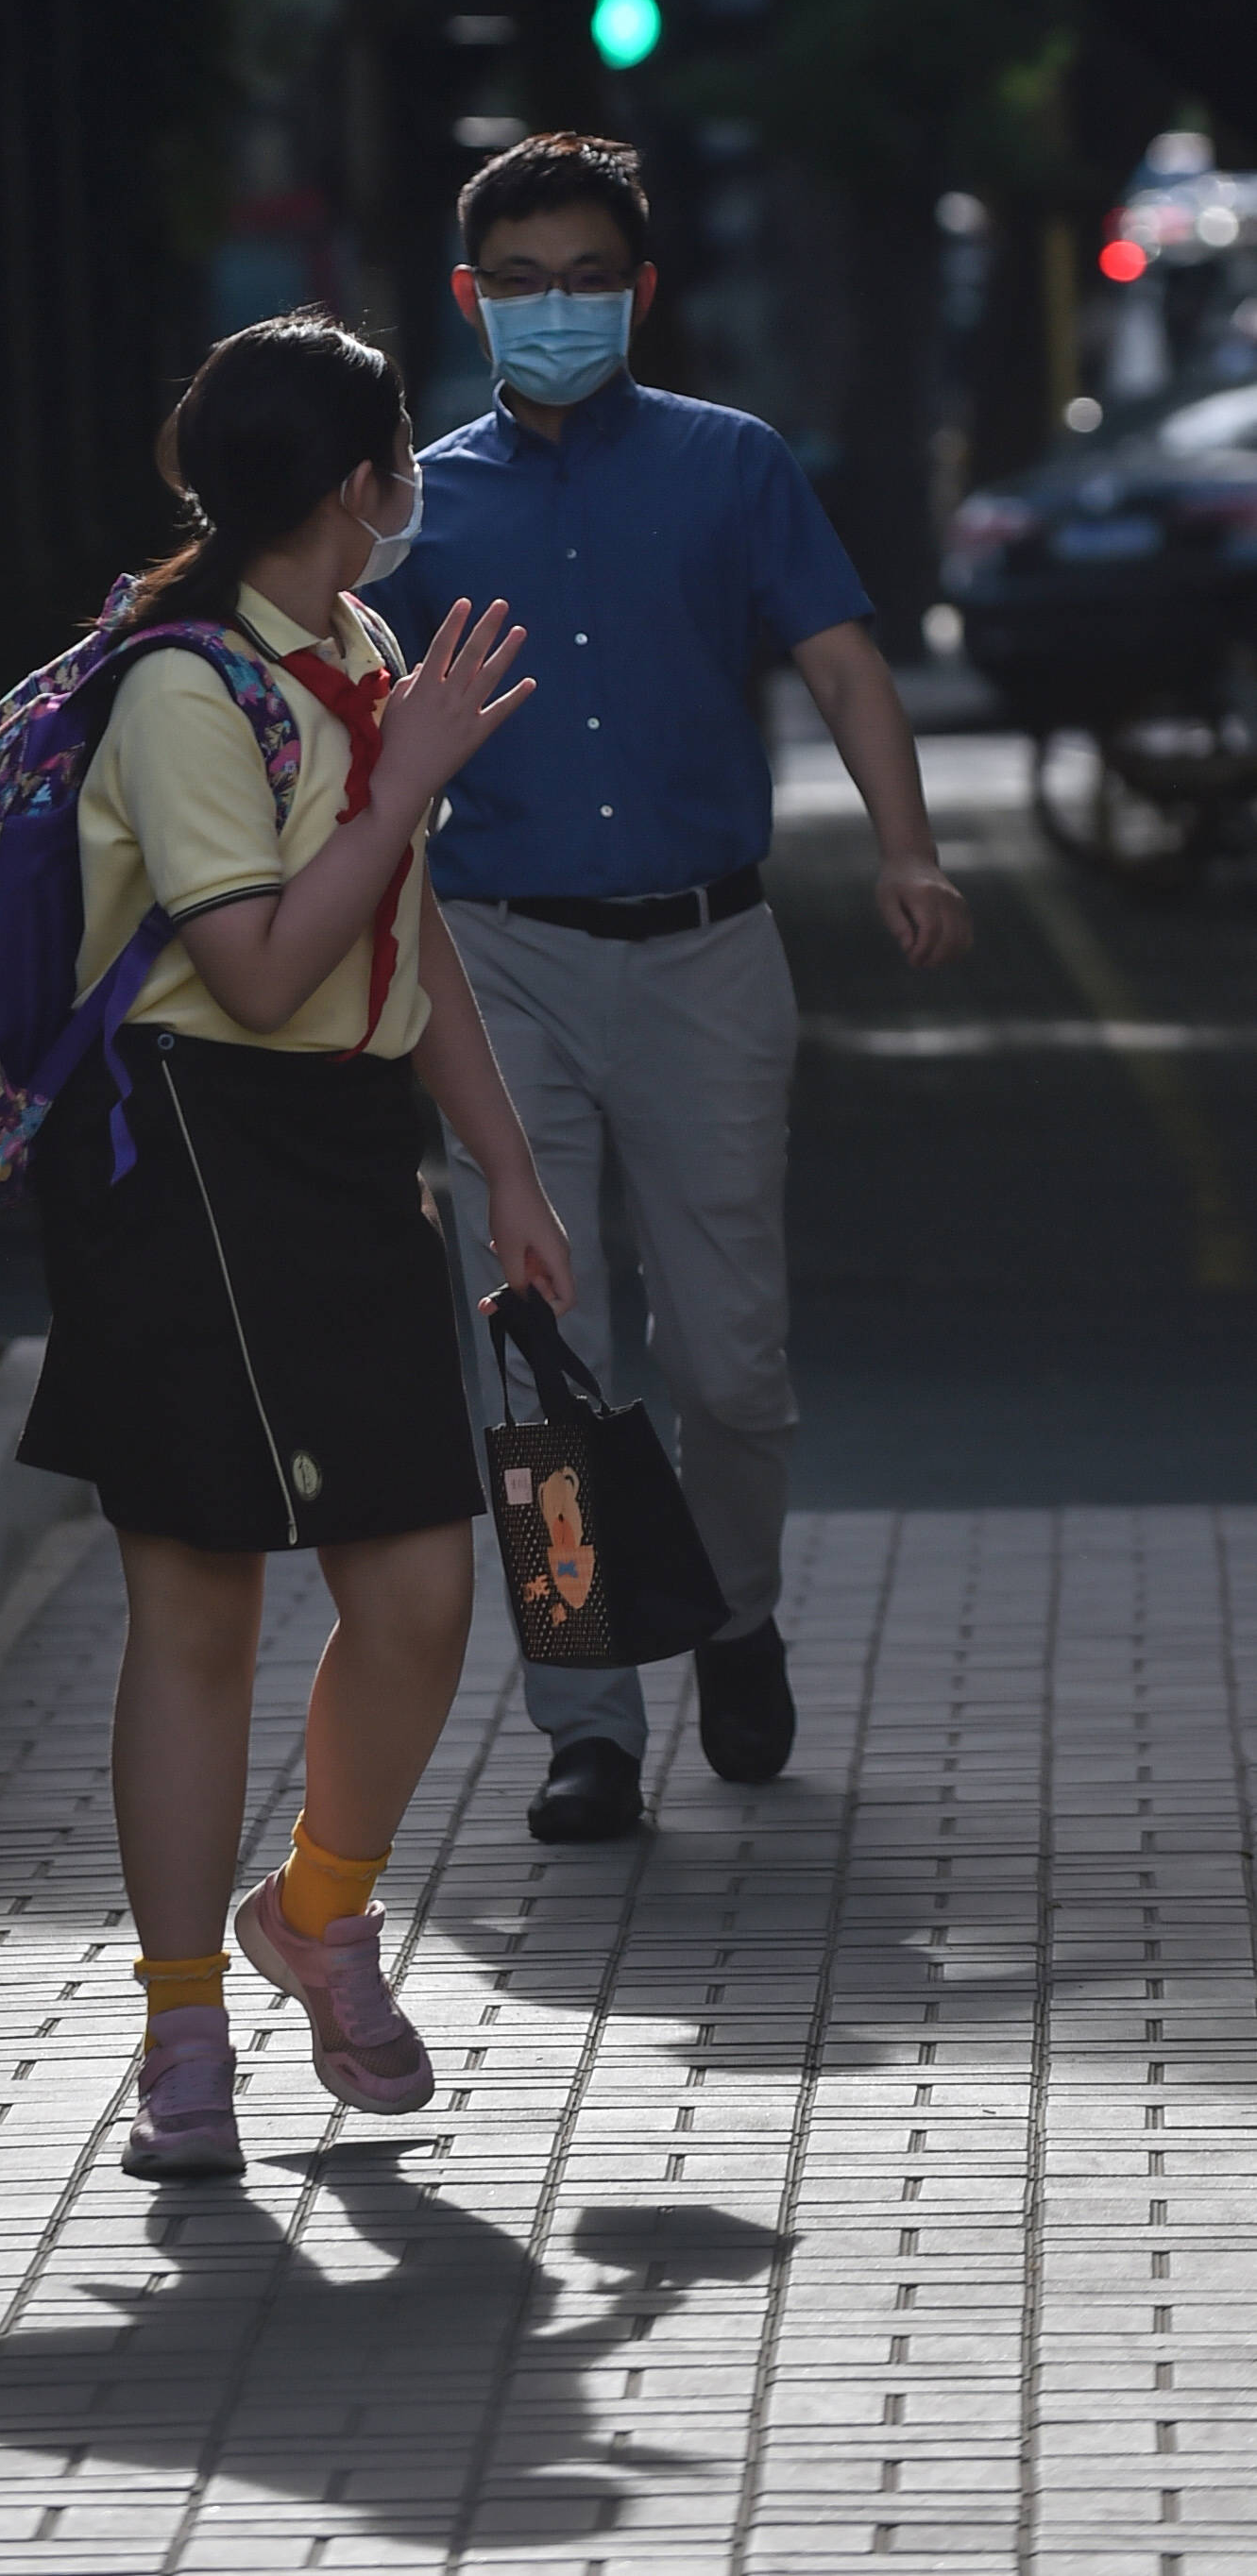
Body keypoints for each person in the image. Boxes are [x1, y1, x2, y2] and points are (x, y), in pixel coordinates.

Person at [17, 314, 574, 2179]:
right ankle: (186, 2029)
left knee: (417, 1595)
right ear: (360, 482)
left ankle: (314, 1910)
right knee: (201, 1613)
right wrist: (404, 775)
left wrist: (506, 1169)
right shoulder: (185, 686)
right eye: (398, 455)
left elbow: (404, 953)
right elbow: (253, 964)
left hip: (346, 1159)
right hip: (187, 1158)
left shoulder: (364, 651)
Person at [369, 133, 973, 1844]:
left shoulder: (733, 467)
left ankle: (735, 1610)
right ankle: (588, 1724)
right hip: (499, 964)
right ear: (472, 299)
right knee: (539, 1359)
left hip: (710, 952)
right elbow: (337, 717)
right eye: (521, 281)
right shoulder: (413, 506)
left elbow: (845, 663)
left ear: (638, 295)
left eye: (589, 279)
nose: (556, 308)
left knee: (733, 1360)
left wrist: (909, 851)